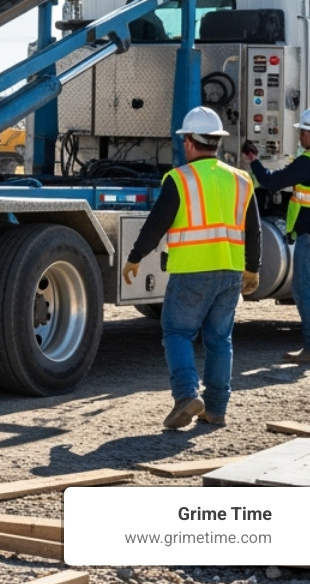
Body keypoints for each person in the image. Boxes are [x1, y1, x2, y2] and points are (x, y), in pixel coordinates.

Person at [124, 107, 261, 429]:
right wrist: (251, 269)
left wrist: (135, 256)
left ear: (188, 142)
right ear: (216, 142)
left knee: (177, 333)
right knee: (219, 340)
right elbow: (252, 229)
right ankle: (216, 409)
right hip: (229, 271)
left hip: (191, 272)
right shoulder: (242, 179)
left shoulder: (179, 179)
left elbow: (157, 224)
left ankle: (187, 395)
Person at [242, 107, 310, 367]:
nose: (300, 136)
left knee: (304, 289)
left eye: (302, 132)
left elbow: (270, 182)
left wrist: (253, 161)